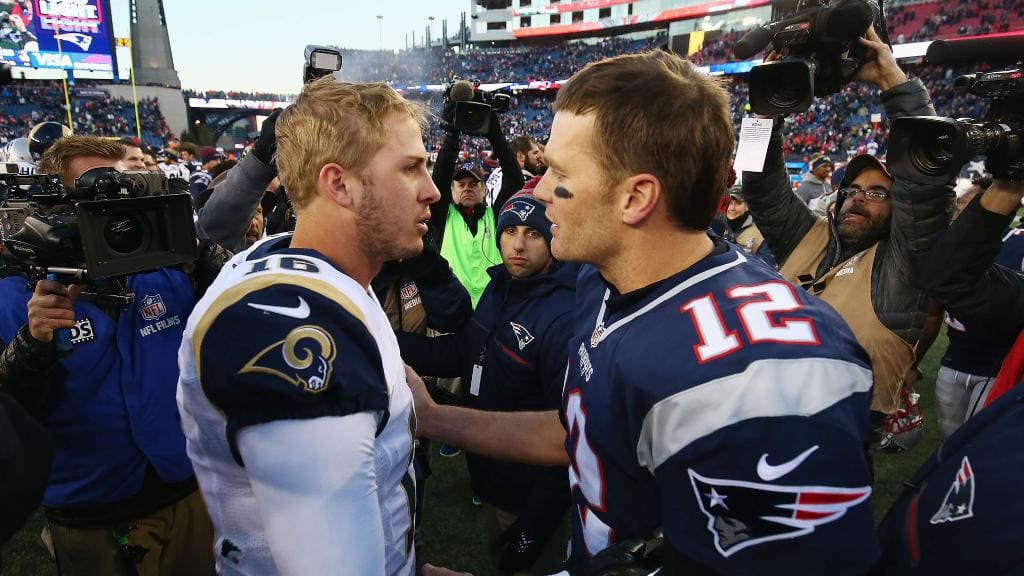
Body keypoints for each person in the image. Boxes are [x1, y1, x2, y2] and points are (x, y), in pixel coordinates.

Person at [412, 51, 878, 575]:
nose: (540, 190)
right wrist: (435, 417)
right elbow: (587, 432)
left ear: (635, 198)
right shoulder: (601, 275)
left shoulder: (762, 377)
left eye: (561, 172)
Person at [177, 77, 440, 575]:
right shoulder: (281, 318)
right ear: (338, 183)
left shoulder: (318, 271)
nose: (432, 190)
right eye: (411, 168)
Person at [0, 135, 226, 576]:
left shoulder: (166, 266)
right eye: (92, 190)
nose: (110, 203)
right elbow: (12, 409)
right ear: (58, 202)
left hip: (184, 487)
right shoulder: (16, 294)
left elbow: (241, 304)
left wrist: (196, 248)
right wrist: (34, 341)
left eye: (119, 187)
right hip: (89, 507)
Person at [740, 27, 953, 440]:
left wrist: (894, 82)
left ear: (899, 209)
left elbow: (926, 189)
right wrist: (763, 110)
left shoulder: (904, 263)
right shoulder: (810, 235)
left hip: (834, 440)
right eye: (852, 190)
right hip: (754, 411)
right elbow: (759, 184)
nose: (858, 199)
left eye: (877, 193)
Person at [400, 185, 574, 576]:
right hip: (490, 475)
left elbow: (565, 437)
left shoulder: (563, 315)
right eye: (511, 232)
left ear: (552, 239)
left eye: (533, 234)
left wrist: (533, 528)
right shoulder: (500, 287)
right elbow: (465, 352)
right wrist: (388, 341)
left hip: (528, 493)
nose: (518, 244)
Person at [878, 179, 1024, 575]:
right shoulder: (999, 240)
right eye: (961, 203)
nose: (961, 209)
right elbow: (944, 291)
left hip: (992, 364)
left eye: (968, 203)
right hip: (963, 359)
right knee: (957, 449)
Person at [430, 106, 525, 307]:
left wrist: (496, 137)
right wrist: (451, 135)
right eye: (461, 184)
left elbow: (515, 180)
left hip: (493, 314)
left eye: (474, 184)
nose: (467, 188)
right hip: (452, 317)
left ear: (484, 190)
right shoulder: (442, 218)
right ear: (452, 190)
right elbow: (440, 176)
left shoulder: (497, 216)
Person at [720, 188, 775, 266]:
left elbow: (767, 265)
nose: (732, 208)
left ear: (747, 206)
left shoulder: (760, 232)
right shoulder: (717, 227)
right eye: (729, 203)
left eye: (738, 203)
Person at [485, 136, 546, 205]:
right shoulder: (523, 179)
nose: (539, 157)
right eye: (535, 153)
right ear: (520, 156)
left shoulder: (497, 171)